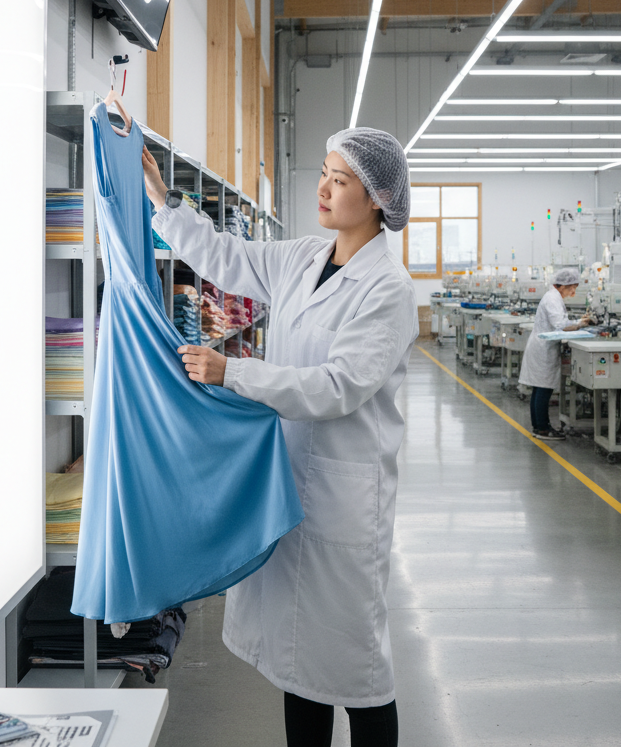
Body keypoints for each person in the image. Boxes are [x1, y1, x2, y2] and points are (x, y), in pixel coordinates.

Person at [142, 127, 418, 747]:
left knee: (358, 668)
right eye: (323, 172)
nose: (323, 188)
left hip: (346, 502)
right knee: (299, 662)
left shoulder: (389, 291)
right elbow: (225, 257)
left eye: (340, 180)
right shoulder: (300, 259)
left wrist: (231, 370)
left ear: (375, 198)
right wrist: (161, 196)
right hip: (290, 486)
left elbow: (337, 386)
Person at [518, 267, 592, 440]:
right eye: (572, 287)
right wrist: (581, 324)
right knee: (543, 388)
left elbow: (561, 322)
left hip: (543, 346)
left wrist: (577, 321)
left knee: (540, 388)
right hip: (543, 349)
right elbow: (561, 324)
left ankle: (539, 426)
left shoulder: (554, 297)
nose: (574, 291)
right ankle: (542, 428)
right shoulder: (553, 298)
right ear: (563, 285)